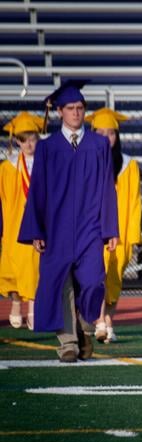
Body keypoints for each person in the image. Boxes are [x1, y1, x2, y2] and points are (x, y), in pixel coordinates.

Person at [18, 80, 119, 363]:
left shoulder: (98, 145)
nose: (76, 113)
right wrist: (37, 229)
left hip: (90, 226)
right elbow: (37, 189)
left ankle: (86, 326)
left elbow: (106, 188)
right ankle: (68, 344)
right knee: (61, 284)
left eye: (80, 108)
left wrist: (110, 228)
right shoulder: (48, 148)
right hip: (56, 227)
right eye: (70, 108)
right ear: (60, 111)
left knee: (92, 282)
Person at [85, 107, 142, 343]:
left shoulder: (128, 165)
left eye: (111, 133)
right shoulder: (86, 161)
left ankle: (108, 320)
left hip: (120, 232)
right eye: (101, 132)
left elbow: (134, 202)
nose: (106, 138)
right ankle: (99, 321)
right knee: (97, 275)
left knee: (114, 278)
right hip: (94, 230)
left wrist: (132, 235)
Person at [0, 112, 43, 330]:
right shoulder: (7, 167)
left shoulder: (45, 164)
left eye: (32, 138)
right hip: (13, 221)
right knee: (12, 268)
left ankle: (33, 309)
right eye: (23, 139)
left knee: (34, 266)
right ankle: (16, 304)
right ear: (16, 140)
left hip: (36, 222)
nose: (28, 144)